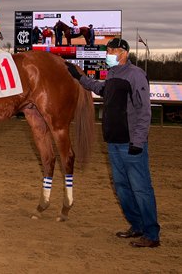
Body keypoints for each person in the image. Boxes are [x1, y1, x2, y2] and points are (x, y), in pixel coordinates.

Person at [66, 38, 160, 248]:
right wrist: (79, 77)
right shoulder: (114, 74)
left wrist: (138, 141)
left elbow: (145, 111)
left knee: (141, 189)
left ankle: (152, 234)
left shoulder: (136, 75)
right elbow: (100, 89)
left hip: (131, 144)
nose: (108, 53)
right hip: (114, 142)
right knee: (122, 188)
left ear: (124, 52)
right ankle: (137, 226)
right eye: (107, 50)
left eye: (112, 50)